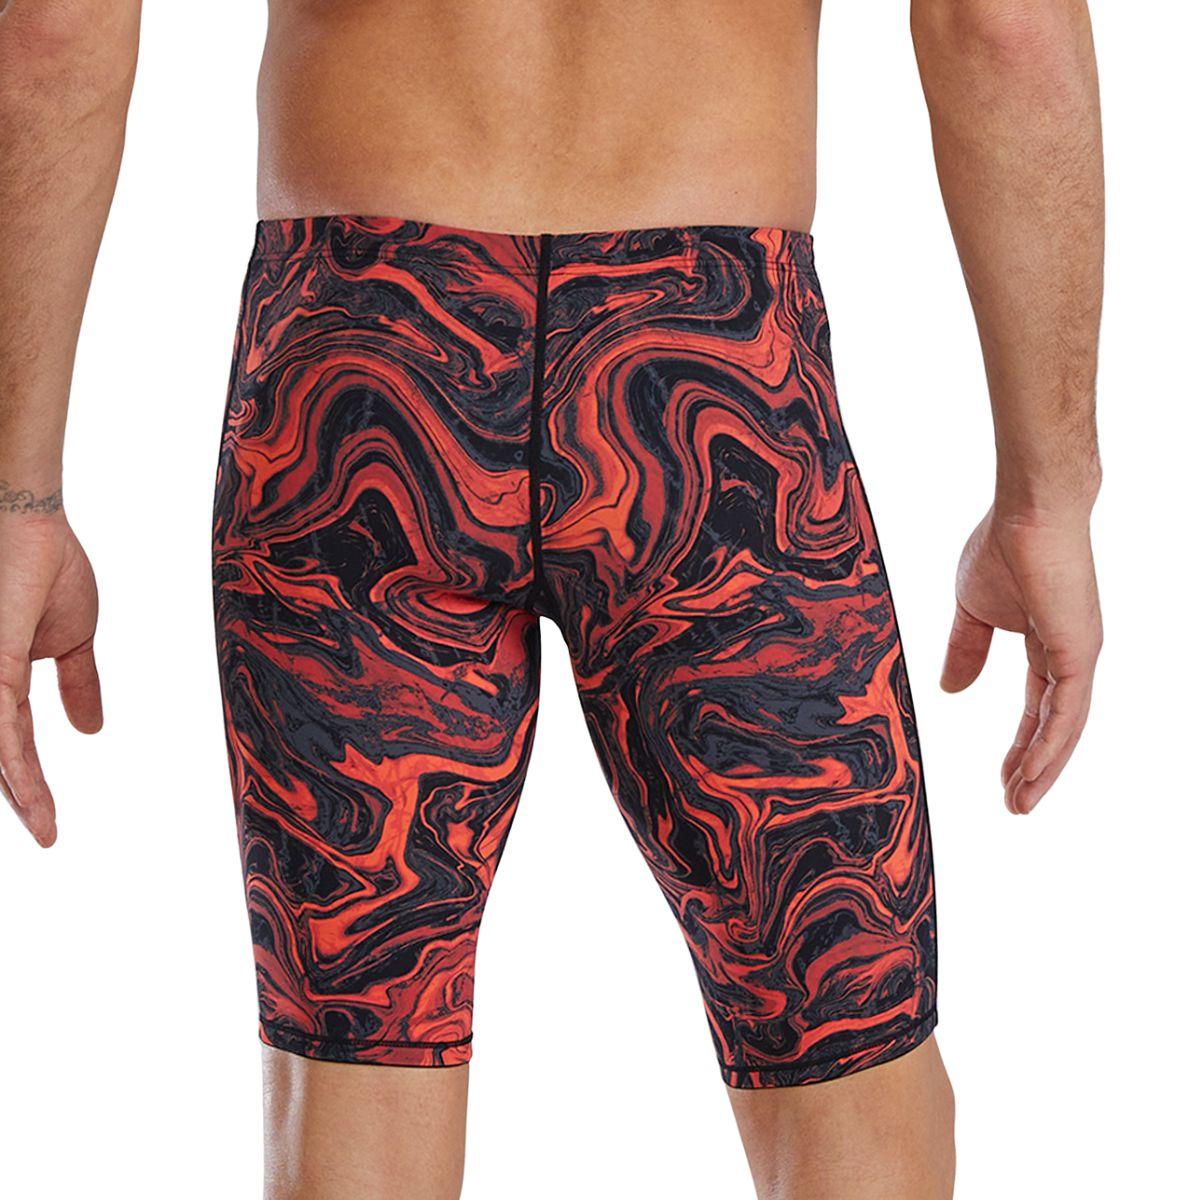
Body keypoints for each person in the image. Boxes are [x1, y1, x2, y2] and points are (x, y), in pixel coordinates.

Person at [0, 2, 1104, 1197]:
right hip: (712, 393)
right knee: (849, 1069)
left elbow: (53, 27)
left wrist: (20, 501)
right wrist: (1046, 498)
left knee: (361, 1056)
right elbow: (1004, 24)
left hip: (363, 385)